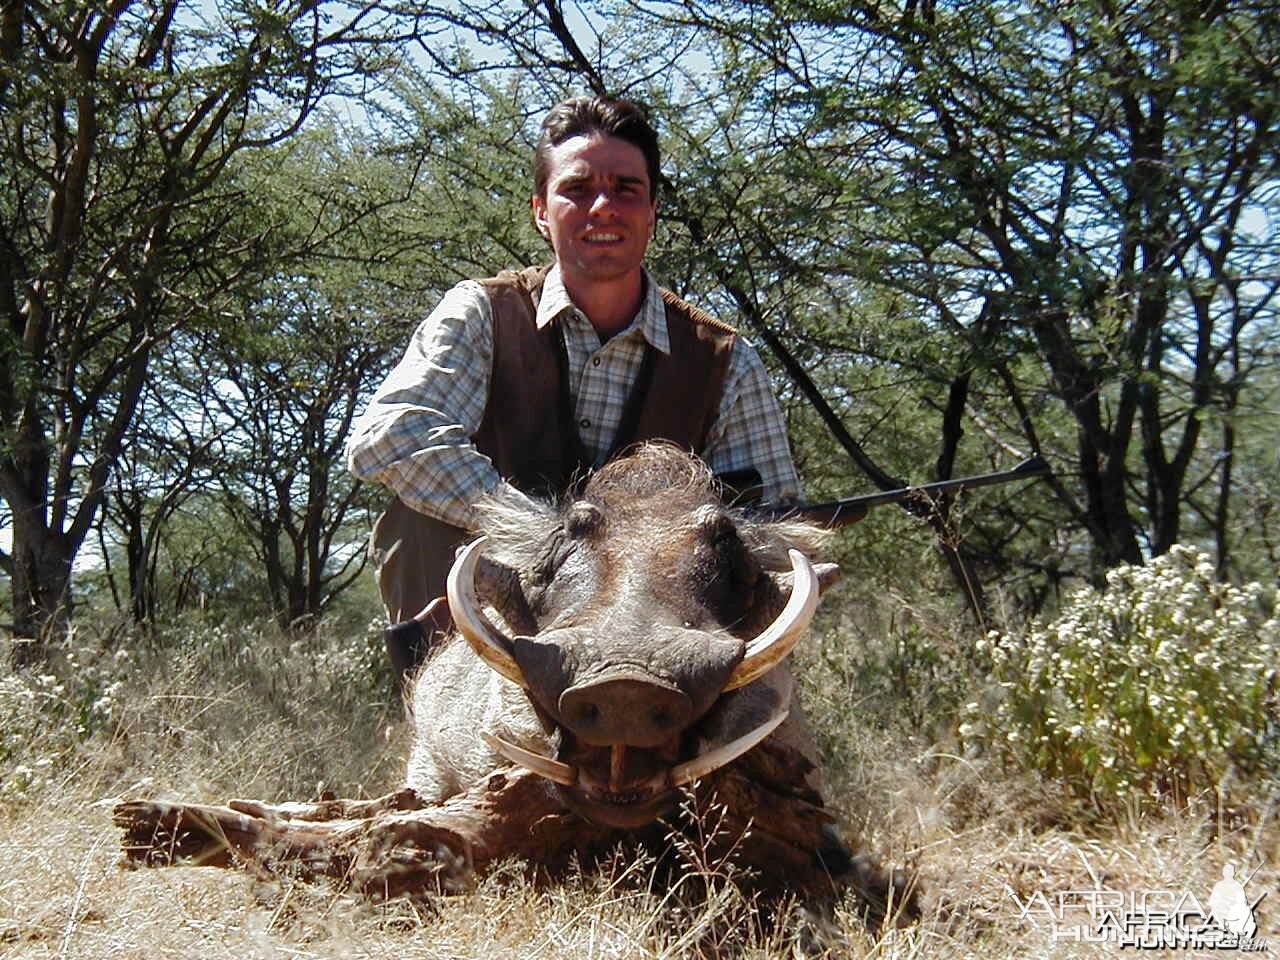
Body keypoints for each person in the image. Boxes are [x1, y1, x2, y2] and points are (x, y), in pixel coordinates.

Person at [346, 95, 801, 676]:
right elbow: (390, 437)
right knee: (420, 514)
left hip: (660, 631)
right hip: (497, 600)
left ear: (654, 211)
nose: (603, 207)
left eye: (626, 189)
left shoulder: (724, 359)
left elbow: (773, 523)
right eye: (577, 189)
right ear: (541, 210)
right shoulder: (480, 312)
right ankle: (438, 717)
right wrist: (543, 537)